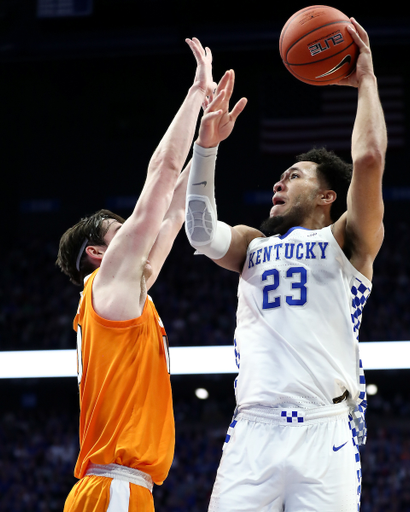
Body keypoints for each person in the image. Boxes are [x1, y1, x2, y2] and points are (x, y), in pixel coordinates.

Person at [185, 19, 386, 512]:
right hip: (253, 432)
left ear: (326, 196)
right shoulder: (252, 244)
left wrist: (366, 82)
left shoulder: (348, 241)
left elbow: (371, 156)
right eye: (279, 177)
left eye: (292, 176)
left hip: (326, 433)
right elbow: (198, 231)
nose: (278, 183)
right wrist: (206, 147)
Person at [56, 37, 215, 512]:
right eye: (121, 231)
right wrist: (195, 93)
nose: (134, 231)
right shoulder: (108, 282)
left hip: (115, 488)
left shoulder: (129, 291)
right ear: (99, 253)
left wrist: (208, 142)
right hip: (115, 487)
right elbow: (163, 174)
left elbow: (174, 215)